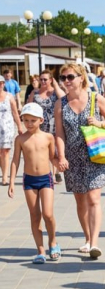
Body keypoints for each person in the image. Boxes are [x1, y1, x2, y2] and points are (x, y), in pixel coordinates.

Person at [54, 62, 105, 259]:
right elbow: (59, 133)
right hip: (72, 159)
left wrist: (99, 123)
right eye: (63, 77)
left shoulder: (95, 98)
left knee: (93, 199)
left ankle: (95, 243)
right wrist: (61, 156)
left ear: (81, 78)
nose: (66, 81)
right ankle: (88, 238)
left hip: (95, 155)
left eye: (70, 77)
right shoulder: (60, 104)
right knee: (80, 201)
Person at [7, 104, 60, 263]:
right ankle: (40, 251)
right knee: (35, 216)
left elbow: (52, 157)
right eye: (26, 120)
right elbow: (15, 160)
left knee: (48, 214)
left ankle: (53, 242)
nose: (29, 124)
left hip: (46, 179)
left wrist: (60, 164)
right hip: (29, 181)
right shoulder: (20, 139)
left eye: (33, 120)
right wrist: (11, 182)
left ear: (41, 120)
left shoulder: (48, 137)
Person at [0, 77, 24, 185]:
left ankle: (5, 176)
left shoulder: (9, 96)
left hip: (7, 128)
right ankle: (3, 171)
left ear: (3, 84)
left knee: (5, 151)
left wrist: (19, 126)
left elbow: (15, 112)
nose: (0, 85)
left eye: (1, 83)